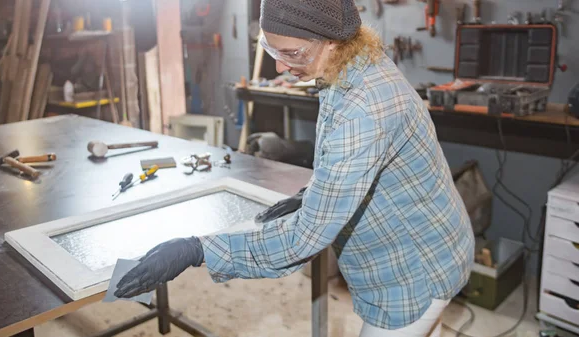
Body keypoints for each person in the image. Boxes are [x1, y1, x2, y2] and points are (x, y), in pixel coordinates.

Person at [114, 0, 475, 336]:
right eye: (271, 50)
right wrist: (315, 194)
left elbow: (304, 239)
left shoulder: (362, 107)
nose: (280, 67)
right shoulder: (357, 61)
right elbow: (373, 162)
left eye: (291, 53)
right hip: (434, 239)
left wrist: (197, 250)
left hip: (412, 272)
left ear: (331, 42)